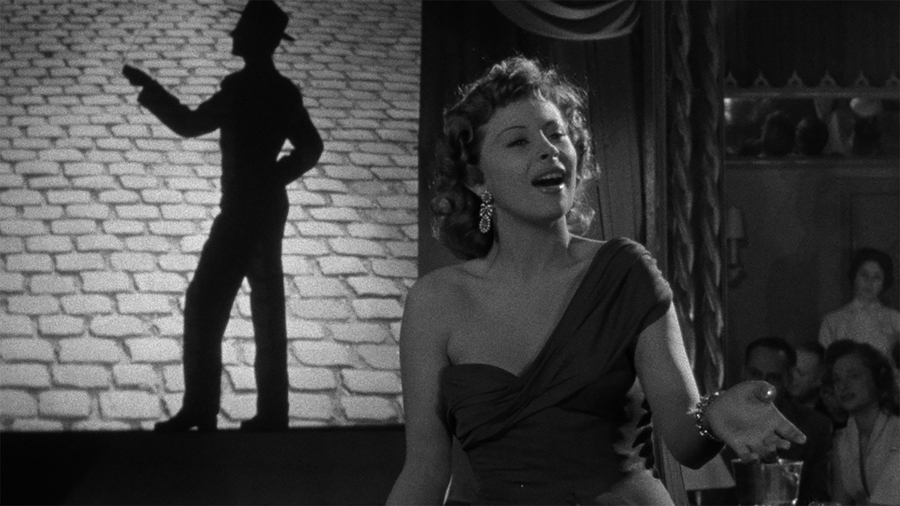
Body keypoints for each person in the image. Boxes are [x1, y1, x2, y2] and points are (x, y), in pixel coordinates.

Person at [386, 56, 805, 505]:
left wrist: (716, 413)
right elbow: (425, 471)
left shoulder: (625, 272)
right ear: (476, 179)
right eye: (519, 141)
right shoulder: (436, 302)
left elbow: (686, 439)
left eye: (556, 134)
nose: (547, 150)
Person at [122, 0, 323, 432]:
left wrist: (150, 88)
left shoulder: (239, 89)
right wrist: (275, 176)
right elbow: (311, 147)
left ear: (254, 40)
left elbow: (189, 124)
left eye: (241, 30)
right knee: (267, 312)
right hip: (268, 209)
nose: (233, 35)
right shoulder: (284, 92)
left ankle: (201, 406)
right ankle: (272, 413)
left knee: (204, 302)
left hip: (240, 215)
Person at [741, 337, 833, 505]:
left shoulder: (814, 427)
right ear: (743, 373)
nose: (762, 385)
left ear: (788, 380)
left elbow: (816, 497)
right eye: (755, 374)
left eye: (773, 378)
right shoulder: (719, 421)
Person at [827, 341, 900, 505]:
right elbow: (839, 502)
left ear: (877, 377)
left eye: (854, 376)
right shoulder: (844, 439)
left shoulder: (896, 430)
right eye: (837, 379)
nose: (843, 386)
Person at [819, 247, 900, 359]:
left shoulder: (895, 319)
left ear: (884, 282)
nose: (869, 282)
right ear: (854, 277)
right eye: (864, 275)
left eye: (876, 277)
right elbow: (825, 361)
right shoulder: (832, 321)